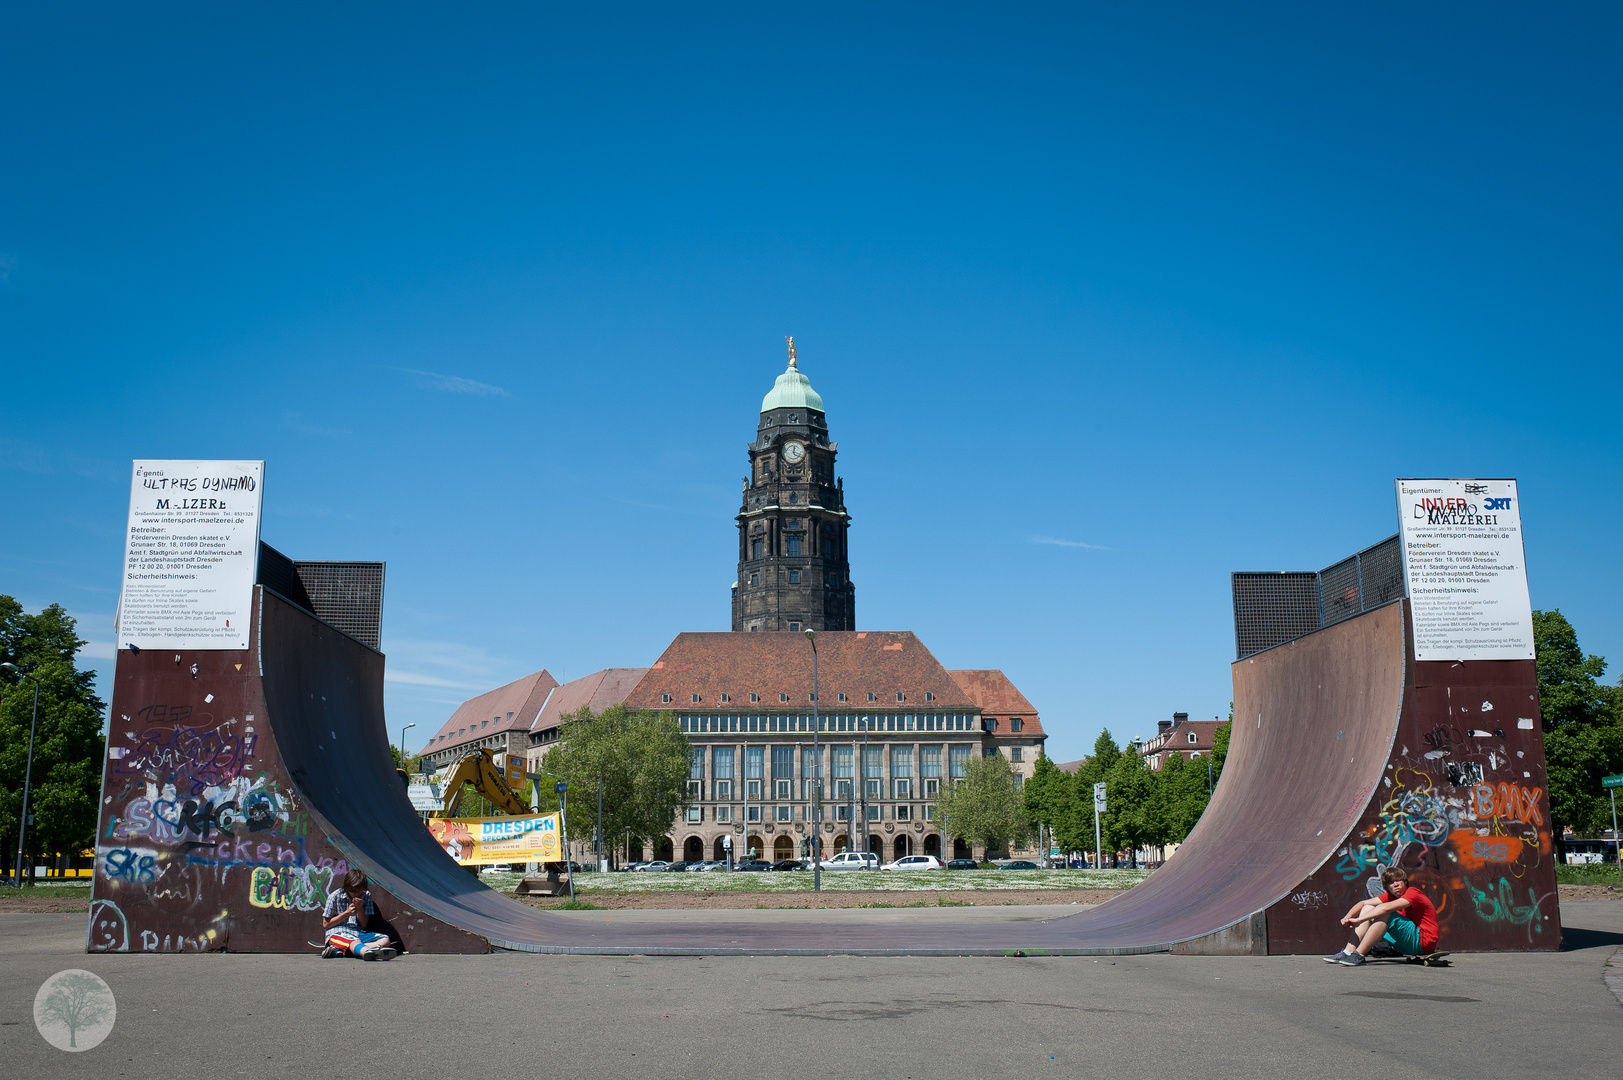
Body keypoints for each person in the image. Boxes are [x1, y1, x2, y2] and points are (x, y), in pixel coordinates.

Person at [1325, 867, 1439, 966]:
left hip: (1423, 941)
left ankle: (1359, 954)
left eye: (1398, 881)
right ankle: (1348, 952)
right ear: (1387, 887)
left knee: (1385, 913)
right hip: (1407, 944)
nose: (1395, 885)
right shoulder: (1390, 896)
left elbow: (1386, 909)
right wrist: (1347, 917)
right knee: (1367, 907)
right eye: (1391, 883)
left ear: (1405, 882)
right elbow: (1363, 903)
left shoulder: (1413, 893)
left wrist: (1359, 920)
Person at [321, 868, 397, 960]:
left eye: (359, 890)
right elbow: (326, 924)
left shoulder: (366, 895)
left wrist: (360, 908)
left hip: (357, 932)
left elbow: (364, 925)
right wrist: (346, 914)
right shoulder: (334, 896)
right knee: (353, 942)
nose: (356, 893)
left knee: (385, 940)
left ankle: (352, 950)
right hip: (338, 933)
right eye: (353, 890)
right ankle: (366, 952)